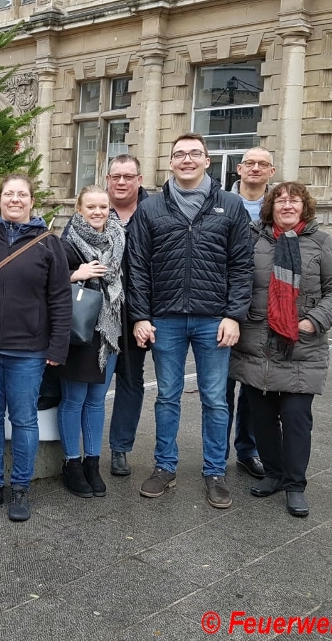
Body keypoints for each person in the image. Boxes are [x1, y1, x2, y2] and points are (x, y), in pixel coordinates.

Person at [128, 133, 253, 509]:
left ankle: (215, 471)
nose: (187, 160)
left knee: (215, 400)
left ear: (207, 161)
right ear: (170, 162)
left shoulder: (230, 206)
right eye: (179, 154)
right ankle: (164, 467)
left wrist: (234, 315)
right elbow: (137, 266)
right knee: (167, 397)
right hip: (165, 318)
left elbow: (242, 266)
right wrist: (140, 316)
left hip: (213, 319)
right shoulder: (149, 209)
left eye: (194, 154)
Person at [229, 182, 332, 518]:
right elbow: (236, 279)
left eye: (293, 200)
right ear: (270, 207)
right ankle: (274, 474)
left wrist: (313, 321)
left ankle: (295, 484)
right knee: (262, 419)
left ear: (304, 206)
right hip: (256, 345)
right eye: (280, 200)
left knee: (296, 419)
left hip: (301, 346)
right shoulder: (253, 238)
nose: (286, 205)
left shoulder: (320, 242)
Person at [0, 174, 71, 521]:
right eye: (9, 194)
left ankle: (20, 488)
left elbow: (59, 298)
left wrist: (57, 347)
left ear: (31, 201)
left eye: (22, 194)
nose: (15, 199)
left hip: (28, 350)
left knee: (25, 420)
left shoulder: (48, 244)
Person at [59, 185, 126, 499]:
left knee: (97, 400)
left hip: (109, 333)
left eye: (103, 207)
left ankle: (92, 463)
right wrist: (74, 274)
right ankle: (72, 463)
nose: (98, 213)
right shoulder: (66, 242)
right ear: (79, 209)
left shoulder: (119, 238)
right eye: (91, 207)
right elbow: (47, 284)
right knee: (74, 400)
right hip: (79, 332)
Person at [225, 146, 277, 480]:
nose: (255, 169)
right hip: (224, 307)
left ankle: (248, 449)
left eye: (263, 164)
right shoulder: (220, 203)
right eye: (250, 163)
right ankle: (216, 451)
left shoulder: (280, 208)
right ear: (239, 170)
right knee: (221, 386)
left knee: (255, 385)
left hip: (262, 310)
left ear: (271, 172)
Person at [103, 154, 150, 478]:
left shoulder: (154, 213)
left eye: (128, 176)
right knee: (91, 381)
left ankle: (120, 447)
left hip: (138, 314)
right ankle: (81, 449)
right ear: (108, 180)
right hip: (99, 314)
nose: (121, 182)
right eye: (116, 176)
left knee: (131, 382)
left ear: (139, 179)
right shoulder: (94, 209)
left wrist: (146, 316)